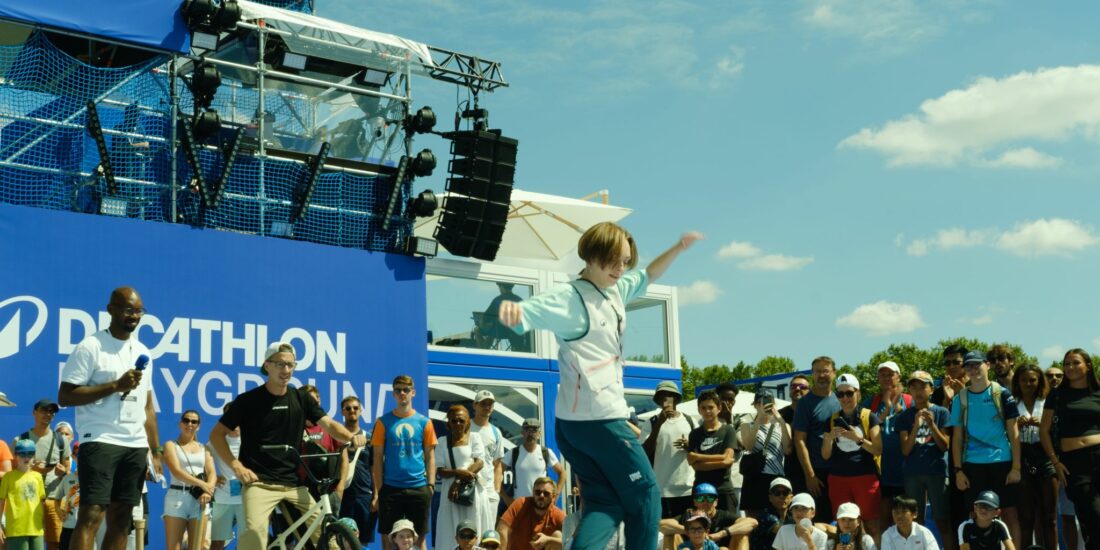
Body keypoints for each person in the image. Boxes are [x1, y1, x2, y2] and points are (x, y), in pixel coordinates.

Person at [498, 222, 703, 550]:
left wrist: (678, 248)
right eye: (614, 261)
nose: (620, 269)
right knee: (646, 494)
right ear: (592, 257)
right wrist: (516, 311)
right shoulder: (571, 297)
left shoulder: (616, 288)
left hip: (572, 428)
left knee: (605, 503)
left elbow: (649, 274)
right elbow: (536, 308)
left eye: (625, 261)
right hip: (600, 422)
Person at [209, 341, 367, 550]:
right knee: (254, 536)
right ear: (267, 366)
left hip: (294, 484)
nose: (286, 370)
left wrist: (350, 437)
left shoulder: (301, 398)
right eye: (281, 365)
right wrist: (237, 466)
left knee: (327, 536)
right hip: (259, 483)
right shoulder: (248, 400)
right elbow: (216, 435)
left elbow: (328, 424)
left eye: (291, 365)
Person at [57, 286, 162, 550]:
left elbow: (148, 407)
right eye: (128, 309)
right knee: (92, 513)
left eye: (139, 311)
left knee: (122, 518)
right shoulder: (91, 346)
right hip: (100, 439)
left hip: (135, 445)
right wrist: (114, 386)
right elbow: (66, 395)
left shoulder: (144, 352)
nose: (134, 316)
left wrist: (156, 450)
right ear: (111, 310)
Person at [948, 351, 1021, 545]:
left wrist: (1016, 467)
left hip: (1002, 462)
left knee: (1010, 514)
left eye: (977, 364)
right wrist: (958, 471)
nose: (973, 369)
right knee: (975, 517)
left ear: (987, 365)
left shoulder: (1002, 393)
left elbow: (1014, 432)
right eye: (968, 366)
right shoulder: (960, 399)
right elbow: (956, 437)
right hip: (972, 464)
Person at [1039, 348, 1100, 548]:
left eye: (1076, 363)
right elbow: (1044, 431)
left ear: (1088, 366)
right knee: (1092, 516)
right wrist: (1055, 462)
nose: (1070, 367)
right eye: (1067, 364)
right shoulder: (1057, 395)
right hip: (1075, 463)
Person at [370, 374, 437, 550]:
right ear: (393, 394)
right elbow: (377, 458)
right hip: (391, 487)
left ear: (413, 393)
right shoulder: (383, 422)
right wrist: (380, 489)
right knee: (388, 538)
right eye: (398, 390)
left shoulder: (424, 422)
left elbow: (431, 456)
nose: (402, 393)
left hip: (418, 486)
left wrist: (430, 485)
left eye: (406, 390)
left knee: (420, 538)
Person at [821, 374, 882, 543]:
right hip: (839, 478)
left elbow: (878, 449)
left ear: (858, 393)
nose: (845, 398)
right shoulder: (832, 419)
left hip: (865, 477)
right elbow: (825, 455)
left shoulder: (869, 416)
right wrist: (828, 439)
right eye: (840, 394)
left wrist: (858, 439)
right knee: (843, 526)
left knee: (872, 526)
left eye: (849, 393)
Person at [896, 370, 952, 550]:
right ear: (909, 390)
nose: (918, 391)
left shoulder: (941, 412)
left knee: (942, 519)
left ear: (931, 389)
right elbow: (905, 449)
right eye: (914, 387)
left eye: (923, 386)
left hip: (936, 471)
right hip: (913, 472)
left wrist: (932, 425)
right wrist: (916, 426)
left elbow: (945, 446)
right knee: (916, 520)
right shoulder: (904, 416)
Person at [1009, 364, 1056, 549]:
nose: (1028, 384)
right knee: (1026, 517)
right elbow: (1004, 434)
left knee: (1049, 517)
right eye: (1024, 380)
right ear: (1017, 382)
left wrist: (1044, 426)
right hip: (1021, 455)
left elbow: (1058, 431)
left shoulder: (1048, 401)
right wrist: (1016, 427)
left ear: (1039, 381)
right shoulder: (1011, 402)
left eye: (1032, 380)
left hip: (1044, 454)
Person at [14, 399, 71, 550]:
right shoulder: (20, 440)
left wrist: (62, 472)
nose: (48, 414)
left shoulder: (61, 440)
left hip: (54, 499)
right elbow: (13, 473)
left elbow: (67, 468)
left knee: (56, 543)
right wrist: (30, 469)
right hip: (28, 500)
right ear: (34, 412)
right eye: (44, 410)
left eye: (51, 412)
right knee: (29, 543)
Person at [862, 362, 913, 531]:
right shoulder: (872, 402)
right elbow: (865, 430)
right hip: (881, 470)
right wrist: (886, 409)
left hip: (906, 468)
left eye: (890, 374)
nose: (886, 378)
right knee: (883, 517)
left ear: (898, 376)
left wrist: (897, 409)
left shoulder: (909, 400)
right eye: (882, 374)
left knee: (908, 517)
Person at [793, 357, 841, 522]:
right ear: (812, 374)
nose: (821, 375)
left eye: (825, 371)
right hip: (818, 474)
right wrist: (810, 475)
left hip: (841, 471)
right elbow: (799, 440)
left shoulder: (842, 399)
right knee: (820, 522)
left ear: (834, 374)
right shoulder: (805, 403)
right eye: (817, 371)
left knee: (842, 520)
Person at [643, 381, 697, 523]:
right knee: (665, 534)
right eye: (662, 398)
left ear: (676, 399)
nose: (666, 401)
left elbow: (700, 449)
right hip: (662, 489)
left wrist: (689, 446)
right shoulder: (652, 422)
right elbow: (644, 452)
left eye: (669, 397)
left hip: (688, 488)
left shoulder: (690, 420)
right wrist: (659, 423)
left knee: (689, 531)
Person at [436, 404, 488, 550]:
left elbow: (479, 463)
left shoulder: (475, 437)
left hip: (471, 492)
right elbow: (440, 471)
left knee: (473, 527)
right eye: (454, 420)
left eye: (461, 420)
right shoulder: (441, 442)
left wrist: (458, 481)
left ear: (468, 422)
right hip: (450, 495)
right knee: (449, 529)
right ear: (448, 423)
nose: (458, 423)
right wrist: (458, 472)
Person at [163, 410, 216, 550]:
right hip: (177, 498)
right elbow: (176, 471)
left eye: (194, 422)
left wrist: (208, 491)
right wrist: (203, 484)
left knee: (197, 547)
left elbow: (212, 472)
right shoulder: (170, 445)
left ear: (198, 426)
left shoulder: (205, 448)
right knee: (173, 547)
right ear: (180, 423)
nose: (190, 424)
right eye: (186, 420)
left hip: (200, 499)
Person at [1042, 365, 1079, 550]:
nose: (1054, 378)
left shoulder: (1073, 399)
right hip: (1048, 465)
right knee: (1058, 515)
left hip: (1077, 462)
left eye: (1059, 375)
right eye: (1050, 375)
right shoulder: (1038, 401)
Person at [739, 390, 790, 516]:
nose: (765, 405)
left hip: (776, 477)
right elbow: (749, 446)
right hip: (755, 477)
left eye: (769, 402)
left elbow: (788, 450)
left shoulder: (783, 425)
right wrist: (759, 419)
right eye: (760, 403)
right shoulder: (746, 425)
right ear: (755, 405)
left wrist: (780, 420)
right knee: (754, 521)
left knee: (777, 518)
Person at [659, 483, 754, 550]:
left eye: (710, 498)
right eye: (700, 498)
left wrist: (721, 534)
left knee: (742, 534)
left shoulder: (724, 515)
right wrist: (690, 530)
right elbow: (660, 525)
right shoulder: (688, 516)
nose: (705, 502)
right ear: (694, 502)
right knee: (670, 533)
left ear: (716, 502)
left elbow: (752, 522)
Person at [687, 391, 739, 514]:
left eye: (711, 407)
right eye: (703, 408)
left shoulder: (728, 430)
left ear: (719, 408)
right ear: (699, 410)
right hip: (701, 491)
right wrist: (722, 460)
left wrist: (698, 456)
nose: (707, 411)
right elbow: (695, 466)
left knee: (729, 529)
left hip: (723, 489)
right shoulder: (694, 434)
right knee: (699, 529)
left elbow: (728, 460)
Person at [338, 394, 377, 548]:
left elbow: (374, 468)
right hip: (342, 496)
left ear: (361, 411)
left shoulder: (369, 438)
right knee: (339, 540)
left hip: (363, 497)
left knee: (362, 542)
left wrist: (376, 495)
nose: (352, 411)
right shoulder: (336, 437)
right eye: (348, 408)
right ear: (342, 412)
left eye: (355, 408)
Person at [503, 418, 565, 503]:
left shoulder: (546, 452)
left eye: (534, 430)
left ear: (539, 434)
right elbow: (496, 472)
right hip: (520, 505)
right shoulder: (513, 453)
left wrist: (555, 495)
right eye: (527, 430)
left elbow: (562, 473)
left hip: (541, 504)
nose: (531, 433)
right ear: (522, 433)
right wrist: (506, 498)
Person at [1, 439, 47, 550]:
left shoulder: (38, 477)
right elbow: (1, 502)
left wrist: (44, 524)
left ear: (34, 456)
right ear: (15, 456)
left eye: (30, 454)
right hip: (16, 530)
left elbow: (41, 503)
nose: (26, 458)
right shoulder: (8, 477)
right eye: (22, 454)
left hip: (36, 529)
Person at [209, 404, 243, 550]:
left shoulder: (253, 440)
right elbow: (200, 461)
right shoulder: (216, 441)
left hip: (248, 499)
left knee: (247, 543)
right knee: (217, 543)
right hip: (223, 498)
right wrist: (212, 477)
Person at [498, 476, 565, 550]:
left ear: (553, 497)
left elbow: (571, 539)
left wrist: (548, 539)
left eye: (546, 493)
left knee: (558, 535)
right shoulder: (521, 504)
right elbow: (502, 528)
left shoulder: (557, 514)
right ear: (533, 493)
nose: (541, 496)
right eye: (538, 492)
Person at [470, 390, 505, 526]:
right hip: (470, 488)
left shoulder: (496, 432)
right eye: (483, 403)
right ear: (475, 405)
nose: (487, 407)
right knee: (470, 531)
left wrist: (496, 490)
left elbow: (497, 465)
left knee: (488, 533)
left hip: (489, 490)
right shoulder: (465, 427)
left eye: (490, 404)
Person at [780, 376, 811, 494]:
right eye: (793, 386)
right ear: (789, 390)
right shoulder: (779, 415)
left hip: (814, 470)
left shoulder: (815, 413)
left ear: (809, 391)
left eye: (802, 387)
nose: (797, 389)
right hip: (787, 471)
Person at [748, 478, 793, 550]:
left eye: (785, 493)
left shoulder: (792, 515)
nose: (781, 496)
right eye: (777, 493)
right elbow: (783, 532)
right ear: (770, 497)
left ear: (791, 497)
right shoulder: (766, 516)